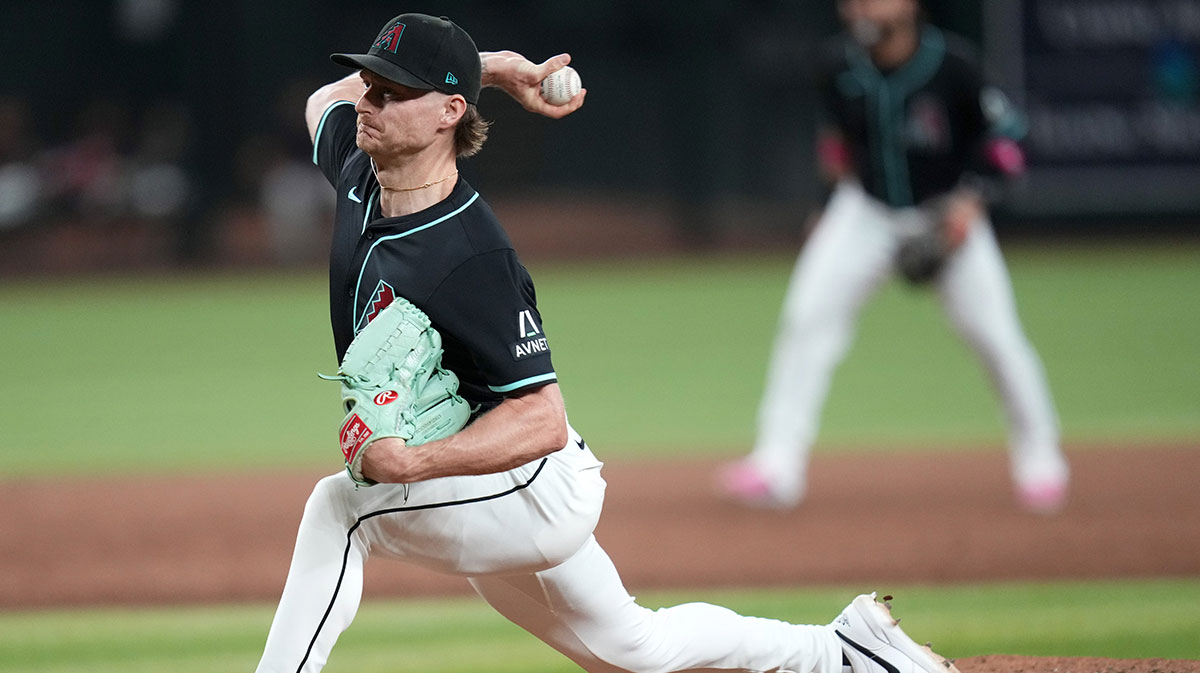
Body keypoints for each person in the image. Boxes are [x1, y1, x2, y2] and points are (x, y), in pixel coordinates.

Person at [254, 12, 959, 673]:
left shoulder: (472, 257)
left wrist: (412, 461)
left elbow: (541, 417)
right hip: (480, 488)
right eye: (371, 85)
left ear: (449, 112)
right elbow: (324, 101)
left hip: (530, 488)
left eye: (393, 92)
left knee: (341, 510)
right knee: (635, 649)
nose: (369, 103)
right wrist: (492, 67)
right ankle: (843, 648)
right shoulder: (358, 173)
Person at [717, 0, 1070, 514]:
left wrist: (971, 203)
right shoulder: (837, 65)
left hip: (945, 211)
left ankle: (1041, 460)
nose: (859, 7)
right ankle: (777, 465)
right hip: (866, 211)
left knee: (995, 337)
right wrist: (825, 209)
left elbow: (1008, 139)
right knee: (806, 320)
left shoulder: (953, 66)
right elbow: (837, 146)